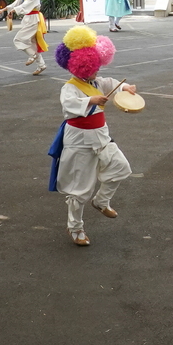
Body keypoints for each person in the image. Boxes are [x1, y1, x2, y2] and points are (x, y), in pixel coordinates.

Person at [47, 26, 135, 246]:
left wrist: (126, 88)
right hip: (79, 141)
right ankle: (75, 228)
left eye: (97, 66)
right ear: (81, 67)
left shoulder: (97, 82)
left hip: (101, 137)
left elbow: (112, 83)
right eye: (93, 68)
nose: (97, 71)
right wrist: (90, 101)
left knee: (121, 168)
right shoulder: (69, 88)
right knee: (80, 189)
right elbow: (69, 106)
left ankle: (101, 201)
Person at [0, 0, 50, 75]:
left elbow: (24, 6)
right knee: (32, 43)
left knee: (18, 39)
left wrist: (13, 11)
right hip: (30, 20)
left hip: (33, 20)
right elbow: (16, 3)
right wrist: (3, 10)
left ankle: (32, 55)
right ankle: (41, 65)